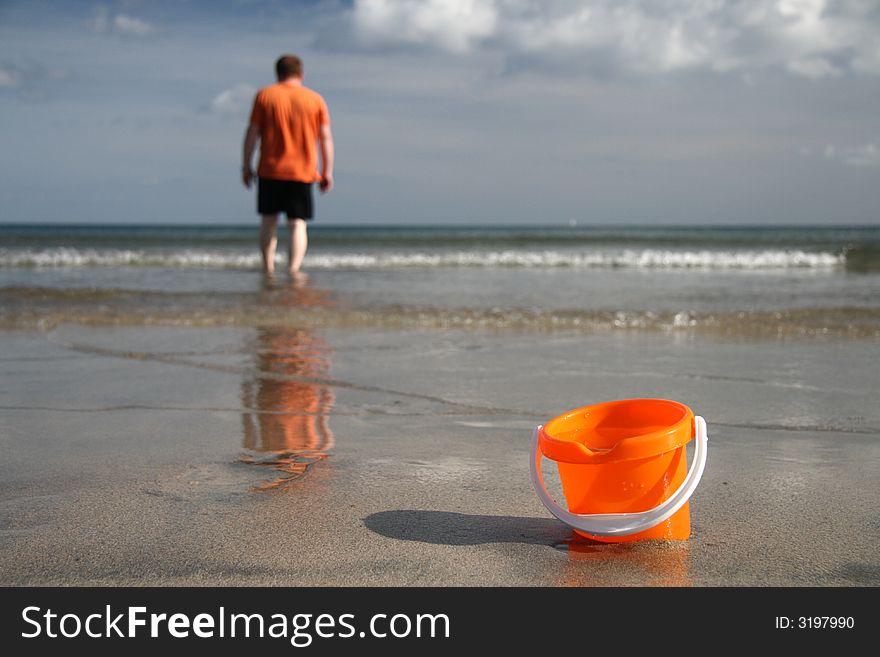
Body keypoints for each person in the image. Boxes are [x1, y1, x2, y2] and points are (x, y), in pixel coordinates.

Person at [242, 55, 334, 277]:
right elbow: (325, 138)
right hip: (302, 171)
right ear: (301, 74)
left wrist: (246, 165)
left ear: (278, 73)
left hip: (270, 168)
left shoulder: (265, 96)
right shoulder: (315, 99)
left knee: (268, 220)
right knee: (297, 223)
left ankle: (268, 269)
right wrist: (327, 171)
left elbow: (252, 134)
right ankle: (293, 270)